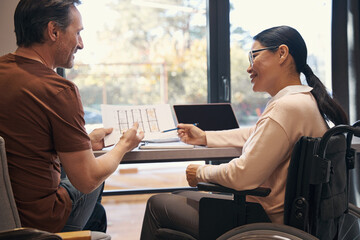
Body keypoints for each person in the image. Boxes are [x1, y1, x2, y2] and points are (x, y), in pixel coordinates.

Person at [140, 25, 348, 239]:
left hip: (265, 220)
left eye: (253, 56)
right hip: (295, 217)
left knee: (158, 204)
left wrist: (200, 172)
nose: (249, 68)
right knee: (178, 197)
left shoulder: (286, 107)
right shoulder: (304, 101)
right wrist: (205, 137)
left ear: (282, 53)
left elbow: (242, 176)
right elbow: (257, 134)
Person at [0, 0, 144, 234]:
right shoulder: (58, 90)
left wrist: (83, 141)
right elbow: (87, 179)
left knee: (97, 214)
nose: (81, 44)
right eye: (77, 33)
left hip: (6, 216)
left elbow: (24, 143)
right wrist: (123, 145)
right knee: (97, 175)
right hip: (38, 223)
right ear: (53, 31)